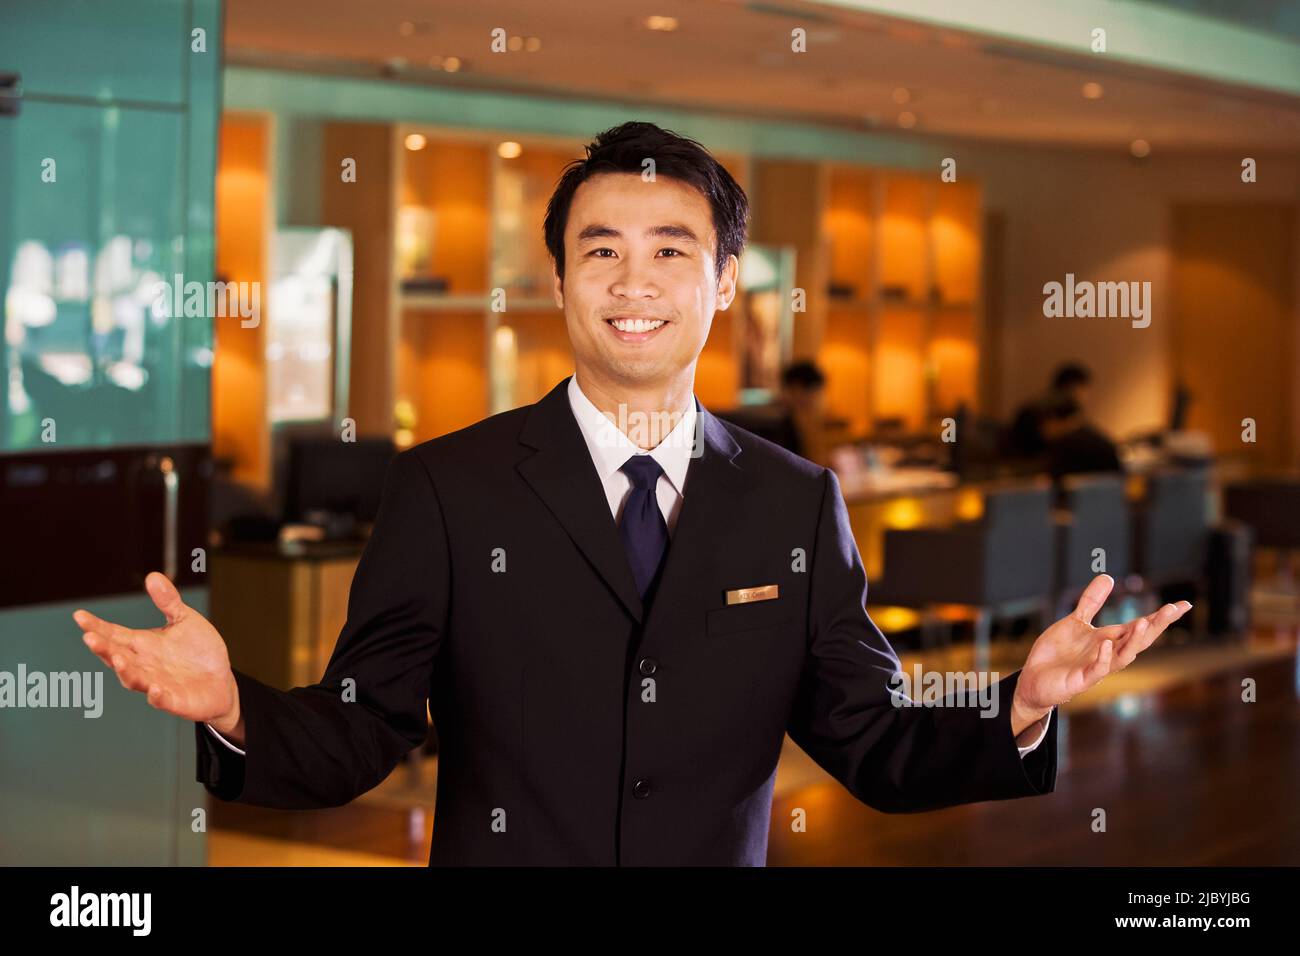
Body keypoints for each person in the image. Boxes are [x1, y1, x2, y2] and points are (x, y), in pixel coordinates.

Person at [74, 121, 1189, 866]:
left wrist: (1019, 702)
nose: (634, 281)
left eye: (670, 248)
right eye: (599, 249)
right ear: (558, 277)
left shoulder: (793, 502)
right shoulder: (450, 486)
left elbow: (869, 739)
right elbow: (365, 728)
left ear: (723, 280)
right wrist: (233, 704)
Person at [1007, 362, 1094, 459]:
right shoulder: (1058, 406)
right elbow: (1048, 433)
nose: (1086, 396)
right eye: (1083, 389)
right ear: (1072, 387)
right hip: (1033, 461)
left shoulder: (1047, 402)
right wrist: (1073, 425)